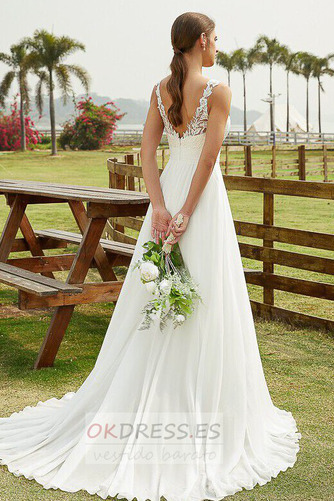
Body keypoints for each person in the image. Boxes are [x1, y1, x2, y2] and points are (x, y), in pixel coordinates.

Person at [0, 11, 301, 501]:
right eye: (216, 39)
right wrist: (182, 213)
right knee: (206, 295)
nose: (218, 47)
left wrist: (159, 207)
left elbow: (147, 155)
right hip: (200, 204)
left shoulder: (161, 89)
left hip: (171, 202)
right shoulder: (219, 92)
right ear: (202, 41)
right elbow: (209, 159)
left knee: (157, 295)